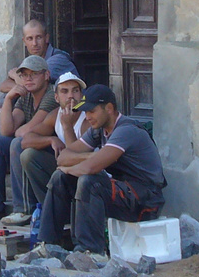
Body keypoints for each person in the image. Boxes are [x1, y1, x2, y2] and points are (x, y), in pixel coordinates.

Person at [39, 84, 165, 254]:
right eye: (86, 112)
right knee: (59, 178)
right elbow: (63, 157)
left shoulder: (126, 130)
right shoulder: (98, 131)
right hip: (123, 192)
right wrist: (91, 157)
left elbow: (90, 168)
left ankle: (90, 251)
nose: (88, 117)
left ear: (109, 108)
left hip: (144, 199)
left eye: (92, 111)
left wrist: (76, 166)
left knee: (89, 181)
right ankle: (48, 245)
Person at [0, 55, 56, 224]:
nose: (28, 78)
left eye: (34, 74)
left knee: (17, 144)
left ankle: (24, 208)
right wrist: (10, 98)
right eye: (24, 75)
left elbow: (27, 131)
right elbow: (6, 130)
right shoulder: (26, 96)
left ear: (46, 75)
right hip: (31, 146)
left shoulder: (51, 95)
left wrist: (17, 131)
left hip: (49, 153)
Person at [17, 70, 85, 210]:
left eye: (75, 91)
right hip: (62, 168)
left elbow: (75, 156)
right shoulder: (55, 114)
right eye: (64, 91)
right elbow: (26, 140)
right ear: (56, 98)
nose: (71, 96)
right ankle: (50, 209)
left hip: (83, 171)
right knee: (28, 155)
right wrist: (50, 139)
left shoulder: (87, 118)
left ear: (82, 95)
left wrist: (67, 126)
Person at [0, 18, 78, 96]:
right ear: (24, 42)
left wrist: (16, 76)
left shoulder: (58, 59)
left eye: (39, 37)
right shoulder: (31, 61)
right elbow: (3, 86)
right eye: (30, 38)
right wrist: (19, 88)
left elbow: (34, 84)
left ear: (46, 38)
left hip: (76, 106)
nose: (34, 43)